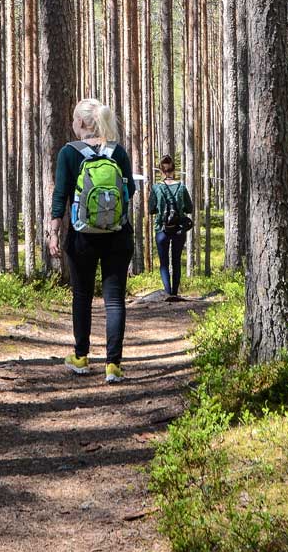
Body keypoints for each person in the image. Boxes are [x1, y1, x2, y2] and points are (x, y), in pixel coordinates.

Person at [46, 98, 135, 383]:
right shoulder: (117, 151)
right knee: (114, 300)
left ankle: (81, 357)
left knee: (82, 296)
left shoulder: (69, 153)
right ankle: (113, 365)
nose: (72, 124)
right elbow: (129, 190)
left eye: (74, 119)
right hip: (118, 235)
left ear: (82, 123)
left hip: (82, 236)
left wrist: (54, 232)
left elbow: (60, 195)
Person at [149, 155, 193, 296]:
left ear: (161, 171)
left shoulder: (156, 188)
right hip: (179, 230)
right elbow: (189, 208)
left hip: (162, 229)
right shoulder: (181, 187)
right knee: (176, 261)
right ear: (174, 170)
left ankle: (168, 293)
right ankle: (174, 293)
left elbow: (151, 209)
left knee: (164, 263)